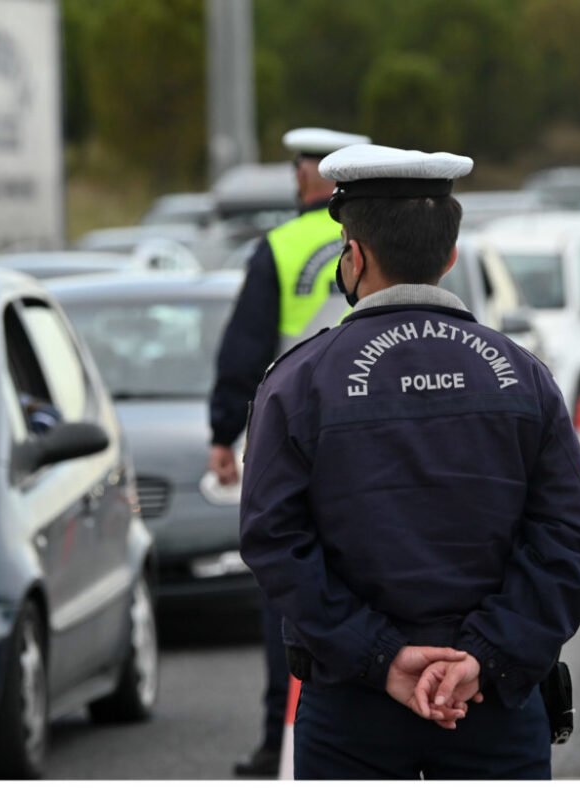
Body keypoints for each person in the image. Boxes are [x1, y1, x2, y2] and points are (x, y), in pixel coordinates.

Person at [238, 143, 580, 779]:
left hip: (351, 711)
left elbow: (273, 540)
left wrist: (381, 657)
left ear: (354, 256)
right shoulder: (524, 377)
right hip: (493, 705)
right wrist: (483, 658)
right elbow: (571, 538)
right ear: (451, 255)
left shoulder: (299, 383)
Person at [208, 126, 371, 778]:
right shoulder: (390, 235)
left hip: (298, 438)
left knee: (291, 589)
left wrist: (224, 432)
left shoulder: (278, 247)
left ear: (309, 175)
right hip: (379, 436)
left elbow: (245, 351)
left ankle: (285, 742)